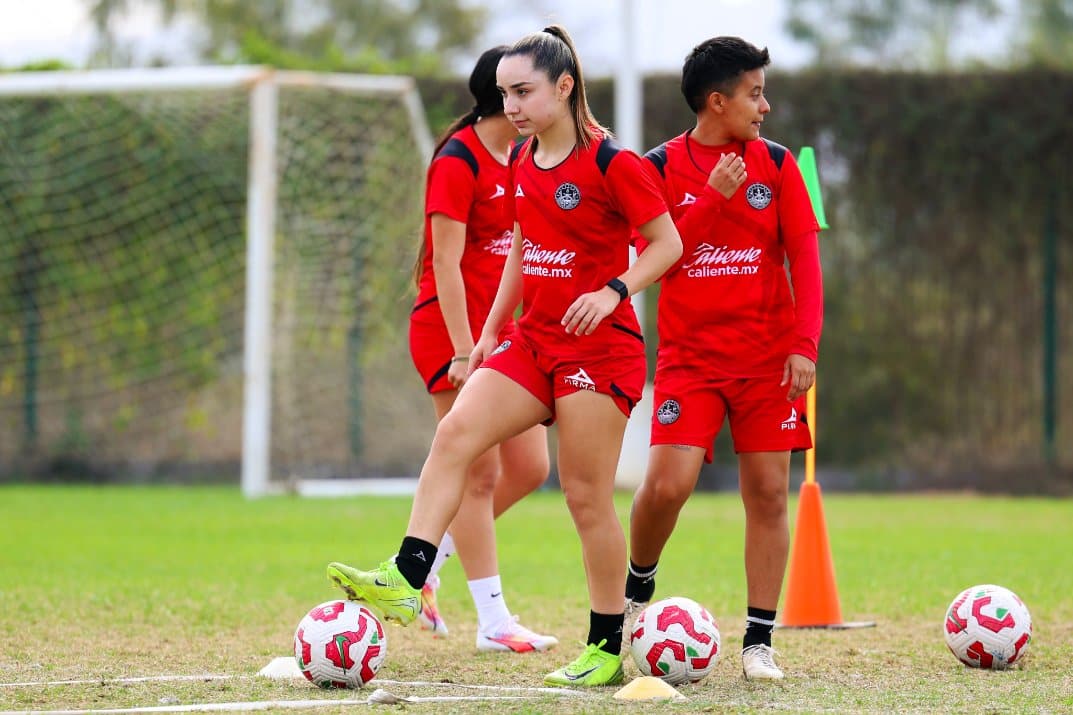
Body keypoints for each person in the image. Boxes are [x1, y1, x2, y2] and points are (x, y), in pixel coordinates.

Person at [327, 24, 682, 687]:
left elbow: (666, 244)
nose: (511, 105)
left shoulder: (613, 163)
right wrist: (490, 332)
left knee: (584, 498)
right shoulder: (520, 161)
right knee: (455, 433)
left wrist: (614, 291)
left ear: (563, 87)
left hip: (598, 351)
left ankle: (605, 644)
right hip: (532, 340)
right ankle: (407, 575)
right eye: (504, 93)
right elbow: (524, 247)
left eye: (523, 91)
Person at [625, 36, 823, 681]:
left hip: (768, 361)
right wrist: (711, 198)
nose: (765, 106)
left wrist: (803, 345)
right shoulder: (654, 169)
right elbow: (654, 261)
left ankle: (759, 641)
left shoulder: (780, 163)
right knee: (666, 486)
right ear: (718, 101)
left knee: (768, 494)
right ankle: (636, 592)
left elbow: (806, 262)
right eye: (755, 93)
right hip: (691, 362)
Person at [406, 44, 557, 653]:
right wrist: (467, 351)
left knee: (531, 469)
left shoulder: (525, 156)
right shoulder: (457, 159)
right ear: (504, 95)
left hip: (504, 337)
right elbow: (443, 262)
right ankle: (494, 622)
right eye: (518, 89)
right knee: (480, 473)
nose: (528, 99)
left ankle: (420, 564)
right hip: (451, 333)